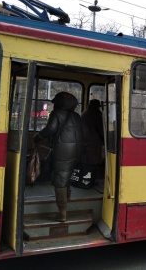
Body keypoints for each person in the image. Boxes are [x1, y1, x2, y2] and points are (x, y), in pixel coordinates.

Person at [33, 92, 84, 222]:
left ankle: (62, 213)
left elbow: (51, 129)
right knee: (66, 178)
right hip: (77, 150)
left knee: (60, 180)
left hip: (63, 150)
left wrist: (38, 137)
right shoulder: (77, 116)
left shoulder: (57, 114)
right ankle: (66, 205)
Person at [81, 99, 104, 186]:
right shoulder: (97, 115)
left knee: (85, 162)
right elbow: (101, 130)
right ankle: (91, 180)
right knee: (93, 163)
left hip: (83, 141)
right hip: (94, 142)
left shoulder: (84, 113)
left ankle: (84, 179)